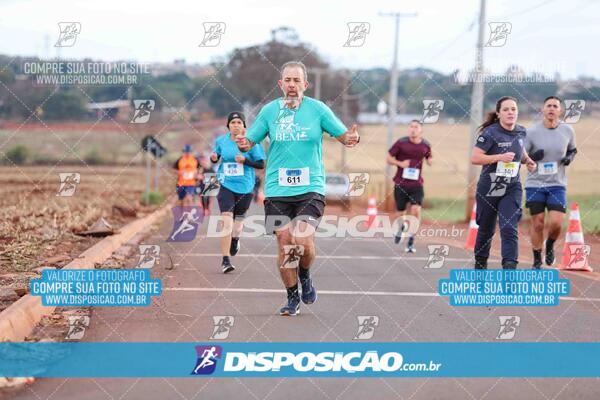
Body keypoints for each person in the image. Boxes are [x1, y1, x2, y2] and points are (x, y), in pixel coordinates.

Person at [236, 61, 360, 316]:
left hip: (310, 186)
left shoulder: (318, 110)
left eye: (296, 81)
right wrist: (243, 143)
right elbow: (250, 140)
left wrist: (351, 138)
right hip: (277, 188)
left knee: (302, 240)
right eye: (287, 81)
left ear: (306, 84)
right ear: (281, 84)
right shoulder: (270, 112)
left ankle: (305, 275)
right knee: (285, 241)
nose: (292, 85)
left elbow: (343, 135)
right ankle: (292, 297)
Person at [470, 96, 537, 269]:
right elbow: (475, 158)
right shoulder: (490, 133)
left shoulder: (521, 131)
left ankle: (509, 271)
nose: (510, 113)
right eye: (506, 109)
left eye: (513, 109)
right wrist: (498, 157)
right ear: (499, 113)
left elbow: (519, 150)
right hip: (490, 186)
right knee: (486, 229)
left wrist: (528, 160)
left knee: (509, 227)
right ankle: (480, 266)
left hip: (512, 186)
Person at [525, 96, 577, 269]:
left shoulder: (568, 130)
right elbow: (521, 156)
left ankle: (549, 245)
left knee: (555, 224)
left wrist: (569, 157)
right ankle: (536, 258)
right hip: (535, 183)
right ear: (542, 109)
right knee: (538, 223)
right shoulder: (531, 132)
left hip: (557, 184)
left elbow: (573, 149)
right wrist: (533, 157)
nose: (552, 109)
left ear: (560, 111)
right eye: (548, 106)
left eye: (555, 106)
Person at [211, 112, 266, 273]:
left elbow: (261, 164)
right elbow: (216, 156)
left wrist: (245, 160)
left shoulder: (252, 143)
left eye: (239, 122)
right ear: (228, 125)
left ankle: (235, 240)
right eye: (233, 122)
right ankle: (225, 260)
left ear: (244, 126)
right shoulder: (221, 141)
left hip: (246, 187)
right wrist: (214, 158)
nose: (236, 125)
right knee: (226, 222)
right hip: (226, 184)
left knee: (237, 225)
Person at [387, 119, 433, 252]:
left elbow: (429, 156)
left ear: (421, 130)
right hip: (400, 183)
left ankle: (412, 239)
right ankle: (401, 228)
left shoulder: (425, 145)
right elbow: (388, 158)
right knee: (400, 214)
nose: (413, 129)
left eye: (416, 127)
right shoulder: (401, 143)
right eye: (411, 127)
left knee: (416, 210)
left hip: (416, 184)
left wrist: (430, 161)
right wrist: (400, 164)